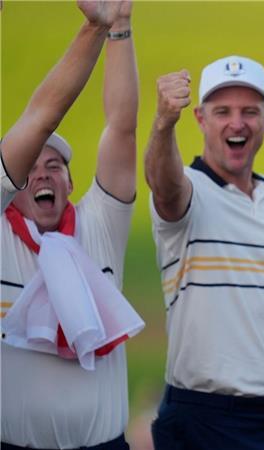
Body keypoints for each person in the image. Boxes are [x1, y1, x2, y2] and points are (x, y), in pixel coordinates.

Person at [145, 55, 264, 449]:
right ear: (201, 120)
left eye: (249, 112)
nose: (236, 123)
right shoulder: (189, 188)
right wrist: (163, 123)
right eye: (222, 111)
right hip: (207, 420)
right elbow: (164, 186)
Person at [1, 1, 139, 448]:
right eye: (32, 167)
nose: (42, 174)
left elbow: (121, 128)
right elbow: (41, 117)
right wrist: (91, 29)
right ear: (13, 183)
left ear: (72, 182)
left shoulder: (100, 224)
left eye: (55, 166)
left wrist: (119, 27)